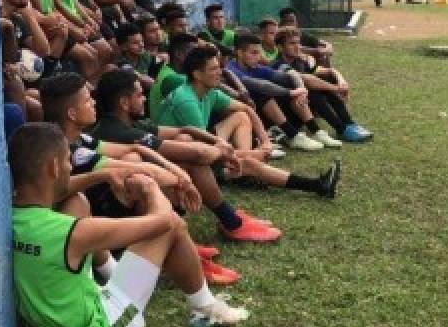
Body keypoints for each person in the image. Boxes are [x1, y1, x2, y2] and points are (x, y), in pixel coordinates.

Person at [8, 122, 249, 327]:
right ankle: (206, 309)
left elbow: (60, 191)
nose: (71, 167)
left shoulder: (8, 216)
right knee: (174, 225)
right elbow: (163, 220)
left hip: (54, 325)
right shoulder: (75, 233)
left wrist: (103, 175)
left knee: (76, 200)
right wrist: (149, 188)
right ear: (53, 167)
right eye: (67, 161)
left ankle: (113, 274)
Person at [38, 73, 242, 285]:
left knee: (150, 161)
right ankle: (164, 254)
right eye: (88, 100)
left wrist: (178, 173)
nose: (94, 103)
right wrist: (180, 178)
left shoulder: (84, 138)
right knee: (140, 177)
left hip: (101, 216)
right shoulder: (74, 148)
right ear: (71, 113)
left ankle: (179, 244)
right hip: (93, 223)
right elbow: (135, 165)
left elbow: (139, 147)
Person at [92, 69, 281, 243]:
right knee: (189, 160)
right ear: (124, 103)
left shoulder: (128, 123)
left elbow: (183, 130)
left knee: (185, 139)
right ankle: (223, 224)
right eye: (140, 95)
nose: (144, 99)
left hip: (131, 201)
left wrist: (218, 143)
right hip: (115, 211)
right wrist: (221, 152)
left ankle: (227, 222)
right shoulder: (118, 131)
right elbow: (196, 153)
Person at [158, 45, 341, 198]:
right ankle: (317, 185)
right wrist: (253, 155)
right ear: (197, 74)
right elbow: (203, 151)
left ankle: (242, 172)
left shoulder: (209, 92)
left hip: (199, 148)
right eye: (213, 69)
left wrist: (265, 141)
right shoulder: (186, 100)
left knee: (241, 116)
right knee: (251, 163)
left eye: (219, 67)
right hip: (185, 161)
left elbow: (246, 109)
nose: (220, 73)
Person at [228, 33, 339, 150]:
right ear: (239, 53)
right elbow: (261, 85)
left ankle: (315, 131)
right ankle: (291, 136)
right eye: (254, 53)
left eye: (259, 52)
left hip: (262, 116)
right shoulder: (231, 70)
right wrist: (290, 92)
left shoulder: (255, 67)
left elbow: (289, 73)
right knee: (261, 93)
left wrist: (301, 89)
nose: (259, 57)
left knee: (292, 85)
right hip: (241, 117)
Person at [273, 27, 373, 143]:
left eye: (298, 43)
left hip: (304, 108)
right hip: (288, 115)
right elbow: (306, 79)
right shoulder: (278, 65)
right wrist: (336, 89)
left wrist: (342, 82)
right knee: (313, 91)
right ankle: (341, 129)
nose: (297, 47)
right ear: (280, 47)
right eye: (292, 43)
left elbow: (330, 71)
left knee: (327, 79)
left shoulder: (299, 61)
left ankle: (349, 123)